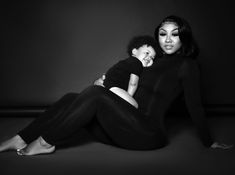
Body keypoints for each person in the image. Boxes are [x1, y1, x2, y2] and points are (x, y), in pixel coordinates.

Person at [0, 15, 232, 156]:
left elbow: (195, 106)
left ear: (184, 38)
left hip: (147, 134)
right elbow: (126, 85)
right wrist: (103, 83)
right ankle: (20, 138)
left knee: (95, 95)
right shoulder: (151, 61)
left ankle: (44, 142)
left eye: (175, 34)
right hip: (122, 127)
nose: (168, 39)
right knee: (73, 97)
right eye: (163, 34)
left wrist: (208, 141)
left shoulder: (187, 66)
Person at [103, 35, 156, 108]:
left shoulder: (128, 62)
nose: (149, 58)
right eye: (147, 53)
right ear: (134, 51)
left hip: (109, 84)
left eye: (152, 58)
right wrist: (129, 96)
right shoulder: (137, 63)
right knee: (134, 105)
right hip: (113, 87)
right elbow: (133, 83)